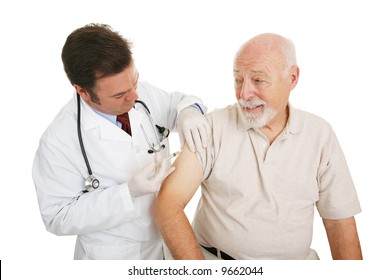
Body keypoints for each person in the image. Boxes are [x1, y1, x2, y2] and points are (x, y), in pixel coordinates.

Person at [153, 33, 363, 260]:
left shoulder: (319, 134)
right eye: (238, 79)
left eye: (258, 80)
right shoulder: (213, 127)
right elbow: (168, 203)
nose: (244, 94)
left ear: (292, 78)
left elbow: (339, 222)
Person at [32, 23, 211, 260]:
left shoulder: (142, 95)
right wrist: (127, 193)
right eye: (119, 95)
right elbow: (57, 217)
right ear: (83, 92)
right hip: (115, 256)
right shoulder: (58, 141)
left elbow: (180, 102)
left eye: (134, 82)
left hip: (167, 241)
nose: (134, 96)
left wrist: (189, 111)